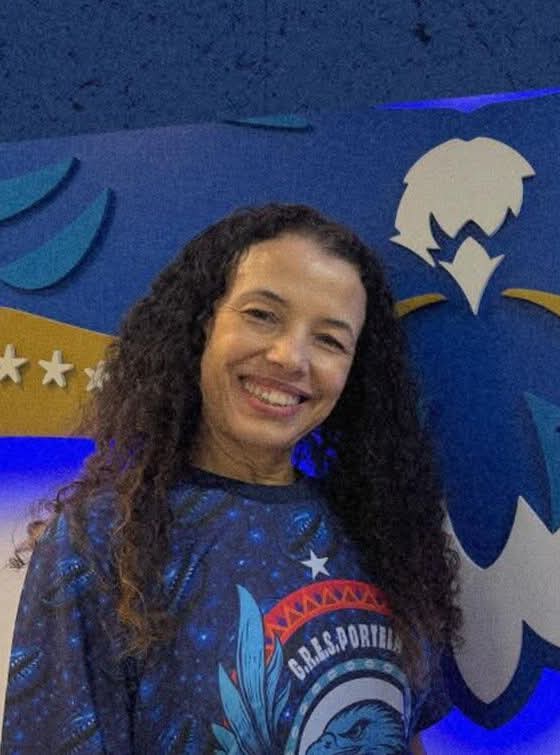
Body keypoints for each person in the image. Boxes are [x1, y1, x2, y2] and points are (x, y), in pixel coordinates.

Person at [2, 204, 460, 753]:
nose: (290, 357)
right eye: (262, 315)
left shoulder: (381, 534)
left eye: (330, 340)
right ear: (203, 325)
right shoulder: (100, 543)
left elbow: (406, 734)